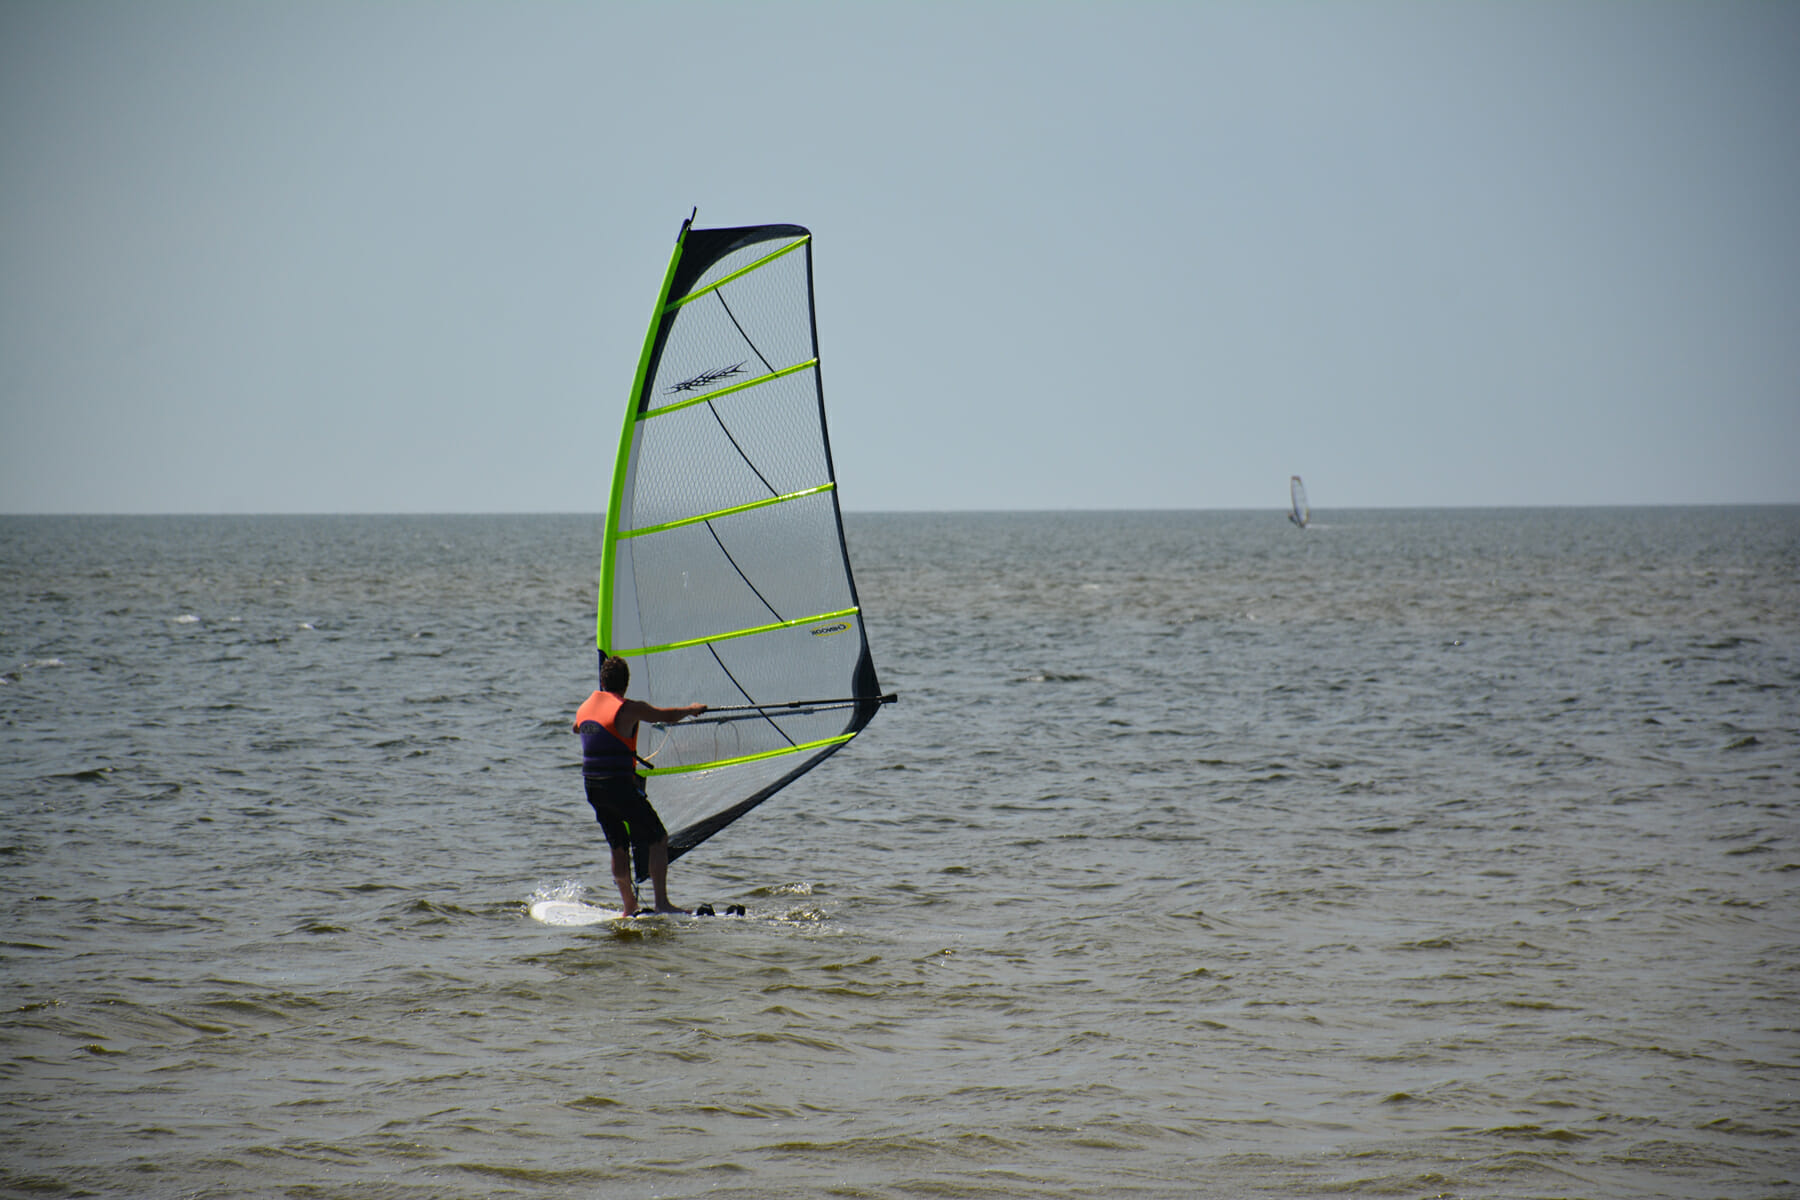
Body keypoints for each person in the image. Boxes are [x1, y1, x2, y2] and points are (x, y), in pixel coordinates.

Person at [573, 655, 706, 915]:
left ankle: (629, 906)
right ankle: (662, 903)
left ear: (602, 681)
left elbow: (577, 729)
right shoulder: (628, 709)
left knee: (618, 845)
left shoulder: (584, 707)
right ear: (626, 684)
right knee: (658, 837)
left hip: (592, 786)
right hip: (618, 787)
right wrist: (690, 709)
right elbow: (665, 716)